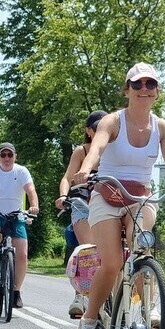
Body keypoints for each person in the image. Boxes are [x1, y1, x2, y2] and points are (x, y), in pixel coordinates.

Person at [72, 62, 165, 329]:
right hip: (107, 192)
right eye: (137, 84)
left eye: (150, 84)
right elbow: (97, 148)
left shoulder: (162, 128)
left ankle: (146, 305)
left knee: (142, 247)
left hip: (141, 197)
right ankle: (89, 321)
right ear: (127, 89)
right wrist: (86, 169)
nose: (144, 89)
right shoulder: (112, 122)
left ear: (157, 92)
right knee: (111, 262)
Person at [55, 110, 107, 318]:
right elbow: (67, 178)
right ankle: (80, 295)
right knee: (89, 251)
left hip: (108, 204)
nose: (102, 131)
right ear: (88, 131)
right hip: (83, 203)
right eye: (97, 128)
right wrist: (63, 195)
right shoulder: (81, 152)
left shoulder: (114, 150)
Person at [0, 142, 40, 308]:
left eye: (10, 155)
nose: (6, 158)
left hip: (16, 215)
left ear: (15, 156)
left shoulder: (21, 171)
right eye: (3, 155)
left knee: (22, 254)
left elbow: (31, 190)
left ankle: (16, 292)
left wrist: (34, 205)